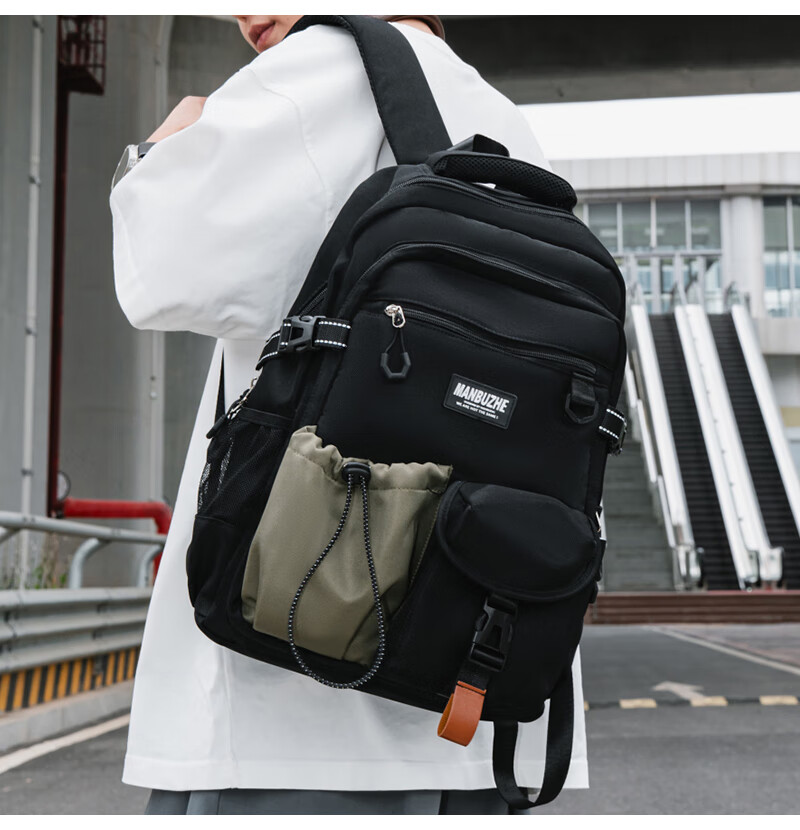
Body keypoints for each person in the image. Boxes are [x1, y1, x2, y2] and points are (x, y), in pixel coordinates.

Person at [110, 14, 589, 815]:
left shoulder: (312, 72)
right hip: (479, 707)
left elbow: (158, 274)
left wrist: (160, 153)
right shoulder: (503, 116)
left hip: (296, 713)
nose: (246, 17)